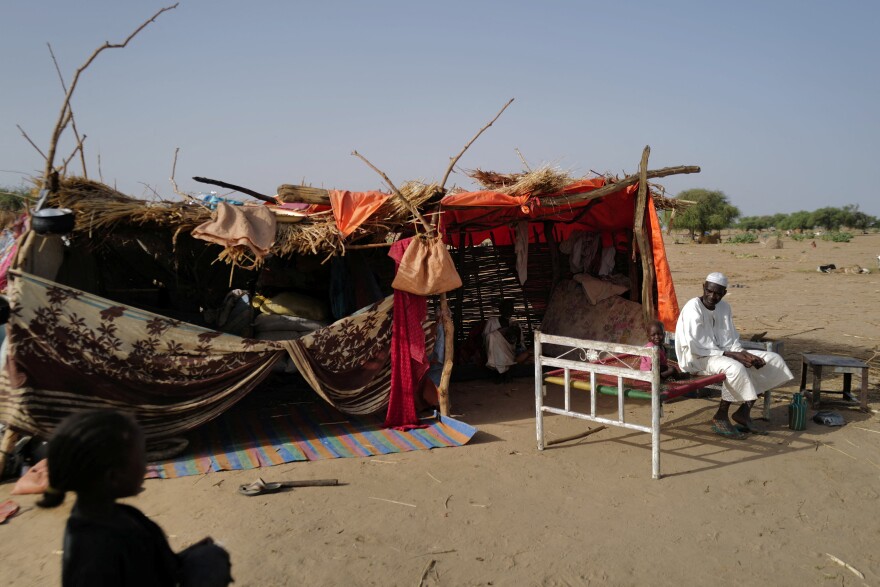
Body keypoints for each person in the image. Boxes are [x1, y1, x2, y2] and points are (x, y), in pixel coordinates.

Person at [37, 410, 233, 587]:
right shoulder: (98, 550)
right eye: (141, 458)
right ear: (113, 477)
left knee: (210, 556)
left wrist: (182, 557)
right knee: (211, 563)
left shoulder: (114, 517)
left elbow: (151, 566)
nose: (146, 466)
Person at [674, 272, 793, 439]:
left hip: (723, 354)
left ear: (723, 293)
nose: (712, 296)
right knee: (735, 368)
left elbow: (731, 339)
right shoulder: (693, 307)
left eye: (717, 293)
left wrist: (744, 354)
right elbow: (696, 346)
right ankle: (721, 415)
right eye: (709, 291)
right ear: (703, 287)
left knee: (772, 360)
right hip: (698, 358)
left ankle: (744, 412)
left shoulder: (724, 307)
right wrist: (733, 355)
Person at [482, 299, 531, 381]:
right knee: (492, 337)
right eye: (506, 308)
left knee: (495, 339)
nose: (508, 310)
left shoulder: (515, 324)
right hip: (493, 350)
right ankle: (502, 372)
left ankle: (501, 373)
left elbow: (519, 344)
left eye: (510, 308)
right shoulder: (492, 322)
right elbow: (486, 338)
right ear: (500, 309)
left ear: (513, 310)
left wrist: (516, 333)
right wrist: (501, 332)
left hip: (510, 351)